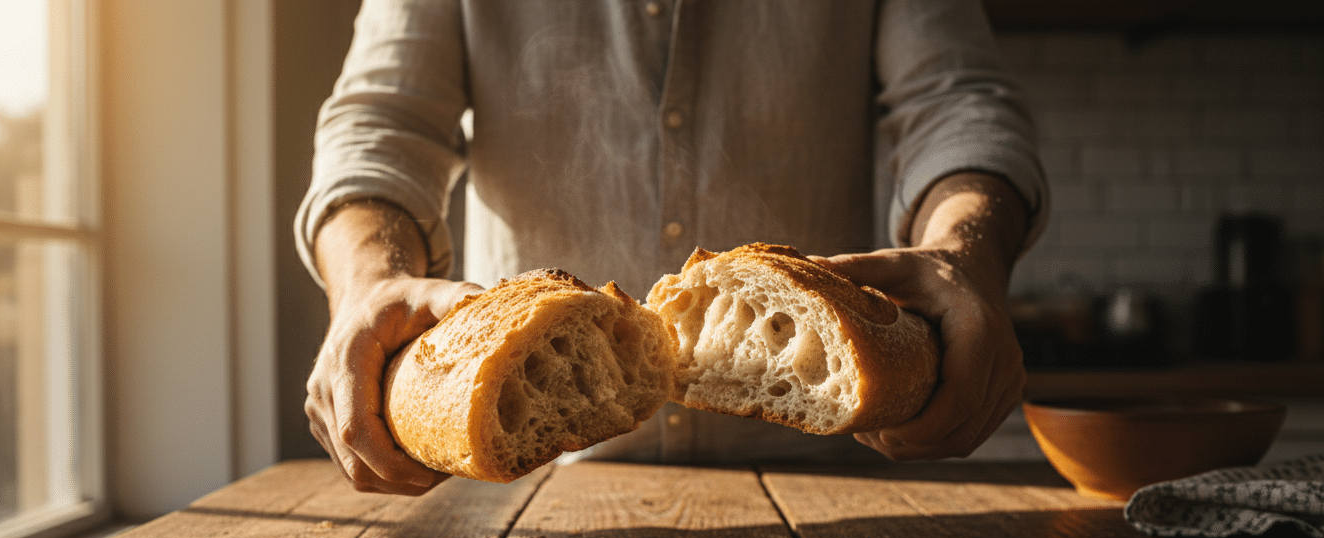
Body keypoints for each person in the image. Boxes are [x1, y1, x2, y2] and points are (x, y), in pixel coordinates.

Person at [297, 0, 1050, 495]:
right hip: (530, 495)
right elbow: (381, 124)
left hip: (835, 480)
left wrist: (964, 257)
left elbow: (958, 103)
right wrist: (368, 282)